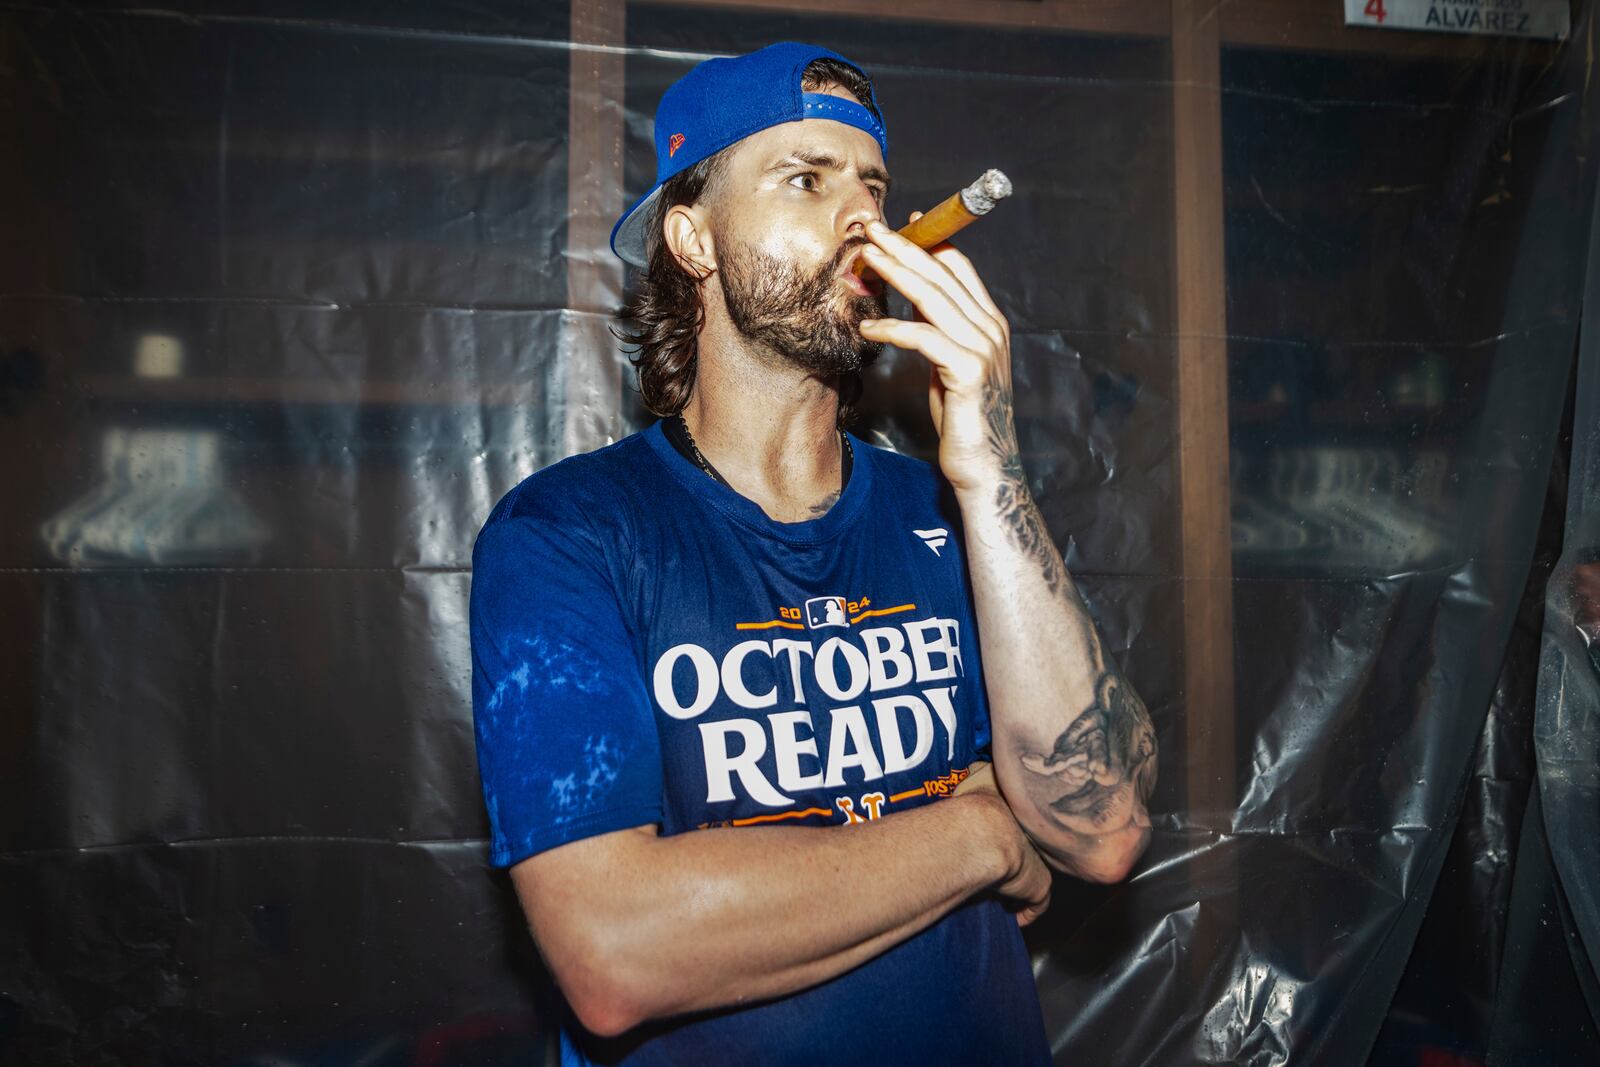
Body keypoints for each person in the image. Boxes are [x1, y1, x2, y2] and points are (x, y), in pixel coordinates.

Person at [470, 41, 1157, 1065]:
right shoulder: (572, 533)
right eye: (806, 179)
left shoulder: (947, 509)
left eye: (874, 187)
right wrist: (974, 835)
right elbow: (615, 950)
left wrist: (991, 472)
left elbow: (1101, 827)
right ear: (693, 240)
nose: (864, 222)